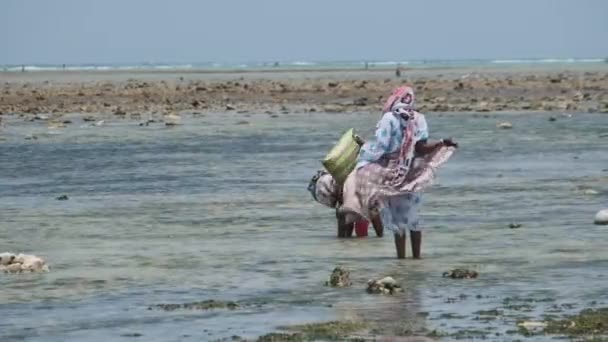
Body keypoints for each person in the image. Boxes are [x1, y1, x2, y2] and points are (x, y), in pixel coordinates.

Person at [341, 85, 457, 259]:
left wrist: (364, 150)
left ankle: (401, 261)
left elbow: (381, 147)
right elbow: (421, 148)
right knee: (413, 217)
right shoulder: (418, 118)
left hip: (391, 172)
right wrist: (441, 142)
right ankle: (416, 259)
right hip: (413, 172)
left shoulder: (389, 118)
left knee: (397, 220)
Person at [308, 170, 383, 238]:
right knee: (351, 219)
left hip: (324, 182)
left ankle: (344, 245)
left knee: (348, 219)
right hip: (325, 187)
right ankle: (345, 244)